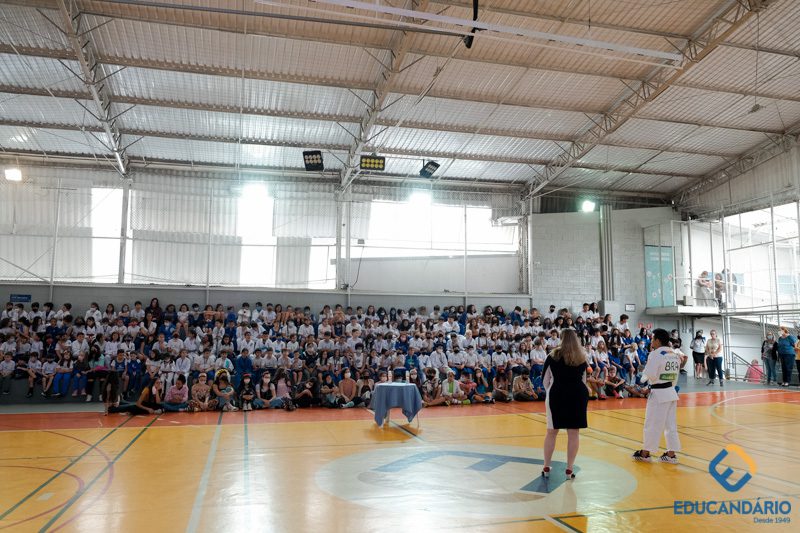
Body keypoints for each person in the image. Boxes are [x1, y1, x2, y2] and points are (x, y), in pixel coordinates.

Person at [541, 329, 588, 480]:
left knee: (551, 432)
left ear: (561, 338)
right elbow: (584, 380)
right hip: (578, 395)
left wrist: (552, 391)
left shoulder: (552, 355)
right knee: (574, 434)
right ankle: (569, 469)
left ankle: (546, 467)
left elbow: (545, 380)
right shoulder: (582, 356)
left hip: (557, 394)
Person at [632, 328, 681, 464]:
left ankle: (645, 453)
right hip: (671, 392)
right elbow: (675, 376)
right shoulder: (674, 354)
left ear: (658, 340)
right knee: (671, 425)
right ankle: (671, 455)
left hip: (659, 394)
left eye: (653, 338)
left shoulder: (655, 354)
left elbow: (650, 375)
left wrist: (643, 383)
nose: (651, 341)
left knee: (652, 423)